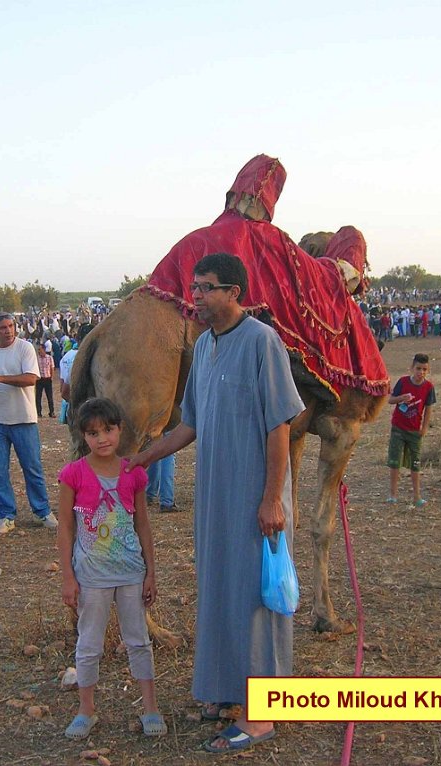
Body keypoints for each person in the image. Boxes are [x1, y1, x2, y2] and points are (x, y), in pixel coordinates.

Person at [130, 253, 303, 753]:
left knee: (254, 596)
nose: (196, 296)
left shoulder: (262, 342)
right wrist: (142, 458)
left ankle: (262, 713)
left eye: (206, 288)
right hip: (214, 496)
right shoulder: (203, 347)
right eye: (194, 286)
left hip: (255, 496)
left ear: (234, 293)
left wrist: (273, 499)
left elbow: (279, 424)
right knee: (222, 588)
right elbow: (191, 424)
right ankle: (228, 692)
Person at [57, 398, 165, 740]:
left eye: (108, 430)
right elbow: (65, 528)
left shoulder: (134, 474)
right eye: (93, 432)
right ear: (83, 436)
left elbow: (143, 525)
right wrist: (67, 577)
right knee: (89, 643)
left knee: (138, 640)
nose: (102, 438)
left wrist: (150, 571)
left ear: (119, 430)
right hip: (91, 576)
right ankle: (85, 710)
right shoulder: (72, 474)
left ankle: (150, 707)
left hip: (130, 572)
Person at [0, 313, 56, 534]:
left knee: (32, 467)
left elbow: (31, 378)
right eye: (2, 327)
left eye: (10, 326)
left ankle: (42, 511)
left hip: (23, 419)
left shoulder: (25, 348)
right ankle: (6, 515)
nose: (8, 330)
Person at [386, 353, 435, 507]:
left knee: (415, 463)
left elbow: (428, 409)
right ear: (412, 368)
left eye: (424, 369)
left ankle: (417, 496)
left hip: (415, 430)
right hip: (398, 428)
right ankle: (393, 495)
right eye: (418, 368)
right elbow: (390, 400)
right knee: (395, 462)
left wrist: (424, 428)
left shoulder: (429, 387)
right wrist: (402, 398)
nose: (421, 372)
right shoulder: (403, 382)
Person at [34, 343, 55, 418]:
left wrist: (51, 377)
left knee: (50, 396)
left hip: (47, 379)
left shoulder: (49, 358)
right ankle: (39, 412)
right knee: (38, 397)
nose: (39, 351)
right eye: (38, 350)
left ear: (44, 349)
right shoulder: (36, 359)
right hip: (39, 379)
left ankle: (51, 412)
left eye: (40, 349)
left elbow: (52, 367)